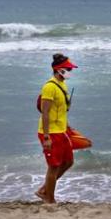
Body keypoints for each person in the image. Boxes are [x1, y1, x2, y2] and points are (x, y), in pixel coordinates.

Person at [35, 53, 77, 204]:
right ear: (60, 70)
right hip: (50, 133)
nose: (70, 72)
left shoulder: (62, 85)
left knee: (68, 162)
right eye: (68, 69)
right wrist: (46, 137)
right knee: (53, 166)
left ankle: (43, 190)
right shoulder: (49, 87)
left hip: (61, 131)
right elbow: (45, 112)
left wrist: (67, 124)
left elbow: (60, 110)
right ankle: (49, 199)